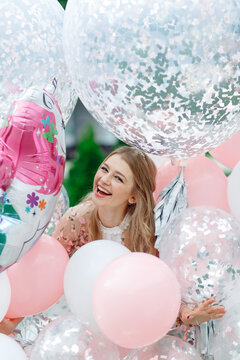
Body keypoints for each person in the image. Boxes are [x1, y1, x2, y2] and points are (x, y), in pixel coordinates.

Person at [0, 146, 225, 336]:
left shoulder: (148, 234)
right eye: (105, 169)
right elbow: (46, 274)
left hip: (129, 324)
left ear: (133, 196)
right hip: (84, 322)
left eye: (118, 178)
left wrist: (185, 312)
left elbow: (159, 286)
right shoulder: (76, 221)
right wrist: (15, 317)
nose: (105, 180)